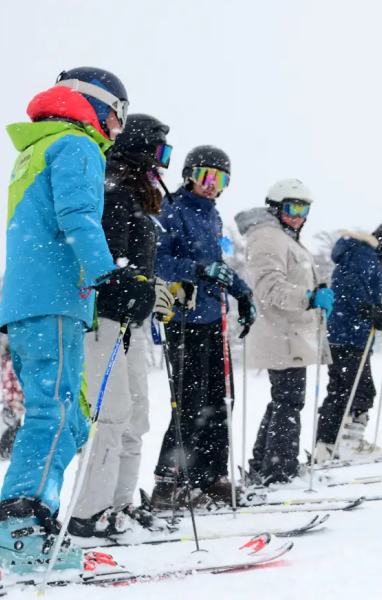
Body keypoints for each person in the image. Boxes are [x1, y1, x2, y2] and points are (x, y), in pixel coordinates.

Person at [0, 67, 153, 579]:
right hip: (55, 300)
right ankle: (21, 533)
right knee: (56, 415)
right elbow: (78, 216)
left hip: (34, 301)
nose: (117, 131)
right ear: (98, 106)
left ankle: (32, 522)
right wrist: (111, 276)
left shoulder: (36, 148)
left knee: (69, 416)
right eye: (118, 117)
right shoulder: (75, 144)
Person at [67, 114, 171, 539]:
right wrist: (133, 291)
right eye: (160, 152)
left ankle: (120, 502)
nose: (163, 163)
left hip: (131, 324)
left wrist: (154, 290)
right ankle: (88, 513)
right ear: (142, 150)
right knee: (111, 416)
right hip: (104, 322)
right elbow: (106, 272)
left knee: (135, 416)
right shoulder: (113, 196)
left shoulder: (136, 199)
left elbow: (137, 272)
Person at [151, 145, 257, 510]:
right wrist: (195, 270)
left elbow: (218, 265)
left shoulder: (212, 216)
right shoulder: (172, 209)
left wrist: (243, 293)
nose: (213, 186)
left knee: (218, 401)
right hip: (184, 319)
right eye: (207, 176)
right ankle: (168, 481)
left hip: (213, 318)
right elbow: (158, 260)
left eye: (221, 179)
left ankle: (210, 476)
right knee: (189, 402)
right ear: (189, 175)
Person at [234, 179, 333, 486]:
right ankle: (278, 472)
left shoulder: (283, 237)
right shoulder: (268, 237)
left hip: (289, 333)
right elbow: (268, 287)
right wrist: (309, 297)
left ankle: (265, 465)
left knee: (284, 400)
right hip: (280, 333)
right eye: (291, 208)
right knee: (289, 401)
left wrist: (313, 292)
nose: (298, 215)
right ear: (275, 208)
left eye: (304, 209)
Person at [313, 223, 382, 462]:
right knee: (360, 389)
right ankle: (349, 443)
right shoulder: (364, 254)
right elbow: (350, 288)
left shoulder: (359, 253)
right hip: (349, 335)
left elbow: (356, 292)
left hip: (341, 332)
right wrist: (369, 310)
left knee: (339, 390)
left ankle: (326, 446)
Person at [0, 344, 24, 462]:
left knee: (15, 426)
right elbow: (10, 383)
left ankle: (7, 451)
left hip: (15, 400)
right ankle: (3, 451)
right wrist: (12, 400)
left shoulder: (9, 362)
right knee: (14, 427)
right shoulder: (11, 363)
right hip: (15, 401)